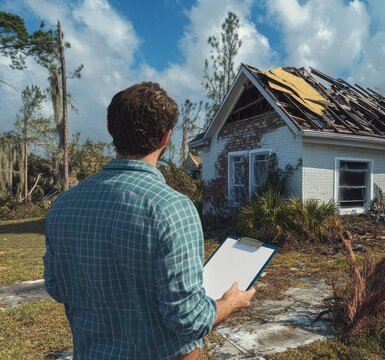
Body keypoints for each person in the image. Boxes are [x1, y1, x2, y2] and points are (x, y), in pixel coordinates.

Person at [43, 82, 255, 359]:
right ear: (166, 137)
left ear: (111, 130)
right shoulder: (173, 208)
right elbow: (189, 319)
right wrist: (229, 303)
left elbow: (57, 288)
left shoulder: (63, 206)